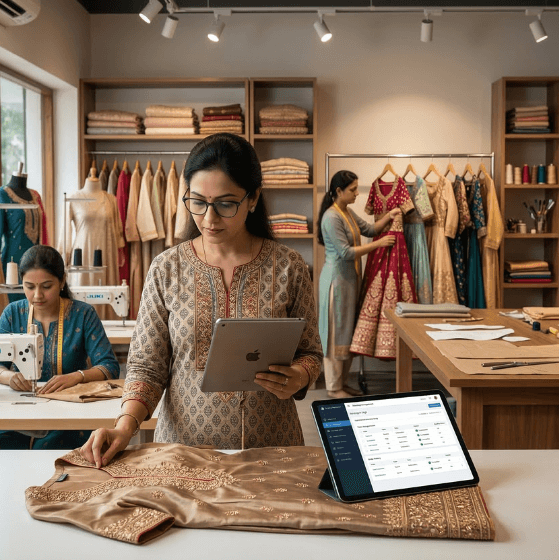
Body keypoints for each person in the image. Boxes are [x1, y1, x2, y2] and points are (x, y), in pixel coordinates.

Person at [82, 133, 322, 467]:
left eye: (226, 204)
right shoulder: (167, 268)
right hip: (182, 453)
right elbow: (146, 367)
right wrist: (124, 428)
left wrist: (299, 375)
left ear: (253, 199)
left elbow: (311, 353)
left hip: (270, 449)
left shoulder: (288, 267)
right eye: (197, 202)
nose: (209, 219)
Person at [0, 245, 120, 449]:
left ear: (62, 280)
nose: (37, 295)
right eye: (29, 287)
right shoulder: (12, 313)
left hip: (71, 409)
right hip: (21, 409)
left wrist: (76, 376)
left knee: (47, 450)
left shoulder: (83, 314)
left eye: (46, 286)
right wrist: (9, 377)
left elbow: (109, 366)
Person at [317, 171, 401, 399]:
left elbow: (370, 229)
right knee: (336, 334)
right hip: (336, 282)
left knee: (347, 333)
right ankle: (334, 388)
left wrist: (389, 215)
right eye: (352, 189)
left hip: (349, 281)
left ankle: (342, 383)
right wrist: (380, 245)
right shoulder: (331, 217)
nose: (356, 193)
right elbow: (345, 253)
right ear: (338, 191)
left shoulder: (346, 212)